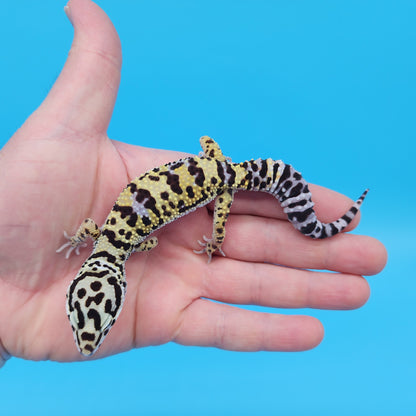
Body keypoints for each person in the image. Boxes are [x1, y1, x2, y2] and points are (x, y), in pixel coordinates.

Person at [0, 0, 387, 366]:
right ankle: (312, 219)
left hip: (220, 184)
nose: (91, 332)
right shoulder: (99, 235)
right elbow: (125, 235)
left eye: (90, 321)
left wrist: (216, 237)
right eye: (101, 323)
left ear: (83, 287)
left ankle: (315, 224)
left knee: (220, 216)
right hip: (212, 165)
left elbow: (148, 240)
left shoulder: (121, 242)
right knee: (209, 151)